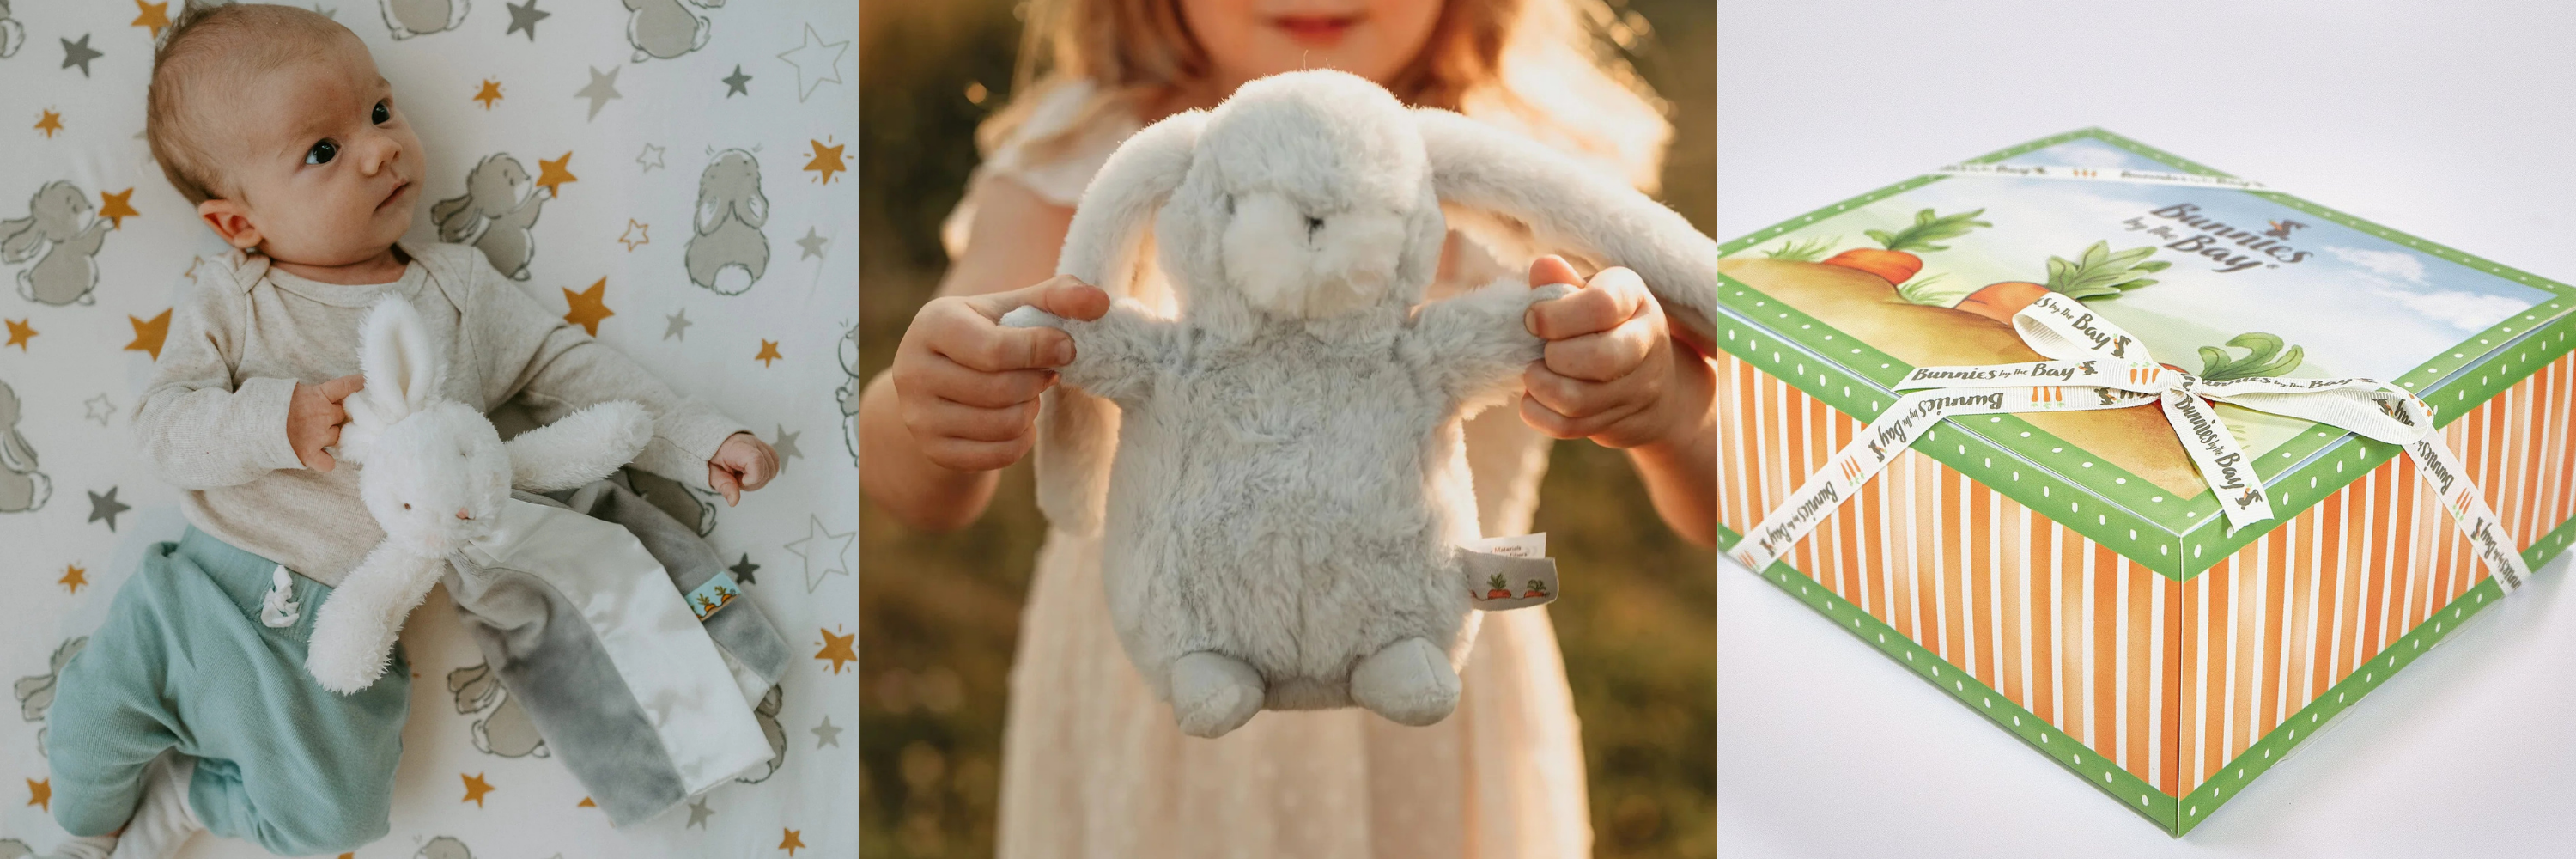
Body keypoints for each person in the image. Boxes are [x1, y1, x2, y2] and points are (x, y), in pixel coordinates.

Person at [857, 1, 1716, 856]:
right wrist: (935, 400)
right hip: (1163, 693)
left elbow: (1730, 501)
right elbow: (921, 487)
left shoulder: (1528, 170)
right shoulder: (1087, 154)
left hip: (1428, 685)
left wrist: (1670, 408)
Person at [36, 3, 781, 857]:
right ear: (240, 223)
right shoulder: (235, 299)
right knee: (87, 737)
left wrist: (698, 439)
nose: (381, 147)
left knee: (338, 821)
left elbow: (569, 369)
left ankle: (190, 802)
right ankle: (86, 836)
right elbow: (163, 428)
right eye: (323, 150)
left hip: (341, 630)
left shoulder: (456, 290)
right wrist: (275, 421)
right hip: (195, 596)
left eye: (381, 112)